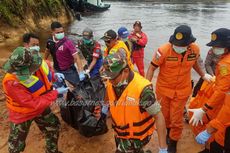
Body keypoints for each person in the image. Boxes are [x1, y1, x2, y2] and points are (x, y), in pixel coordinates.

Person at [146, 25, 213, 153]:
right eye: (176, 44)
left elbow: (196, 64)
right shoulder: (163, 50)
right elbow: (152, 68)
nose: (178, 47)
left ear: (190, 43)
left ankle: (173, 141)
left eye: (182, 45)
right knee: (164, 117)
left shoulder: (195, 49)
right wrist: (146, 86)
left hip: (182, 90)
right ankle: (167, 134)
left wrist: (203, 75)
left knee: (176, 119)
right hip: (164, 90)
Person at [2, 46, 68, 153]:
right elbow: (31, 103)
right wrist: (55, 93)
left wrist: (54, 76)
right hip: (22, 113)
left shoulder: (39, 63)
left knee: (53, 127)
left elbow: (46, 74)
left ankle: (51, 151)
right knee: (16, 145)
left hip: (41, 107)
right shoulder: (11, 82)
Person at [101, 50, 168, 153]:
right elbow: (108, 92)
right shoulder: (113, 81)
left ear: (126, 71)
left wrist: (163, 148)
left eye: (113, 78)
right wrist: (104, 109)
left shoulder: (143, 91)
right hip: (119, 132)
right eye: (109, 78)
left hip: (137, 137)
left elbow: (159, 116)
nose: (110, 81)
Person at [189, 28, 230, 153]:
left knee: (222, 140)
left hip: (226, 110)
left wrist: (204, 108)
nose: (214, 49)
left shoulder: (225, 64)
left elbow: (222, 92)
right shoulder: (224, 60)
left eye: (217, 46)